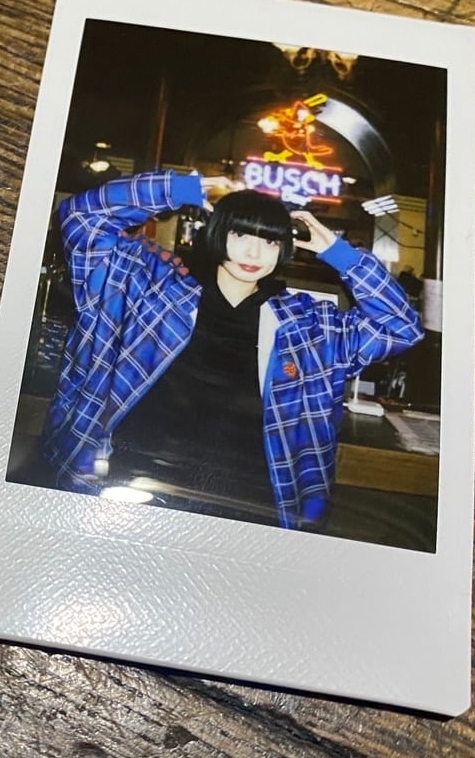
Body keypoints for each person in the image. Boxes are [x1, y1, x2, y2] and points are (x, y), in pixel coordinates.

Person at [42, 170, 423, 529]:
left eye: (270, 241)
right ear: (218, 232)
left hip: (254, 504)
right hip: (135, 486)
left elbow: (401, 327)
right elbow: (82, 218)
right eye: (241, 234)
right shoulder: (155, 291)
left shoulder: (308, 326)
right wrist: (181, 189)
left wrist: (339, 253)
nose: (255, 253)